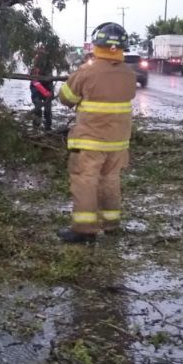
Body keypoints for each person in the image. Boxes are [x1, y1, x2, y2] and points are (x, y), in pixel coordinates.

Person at [56, 22, 136, 243]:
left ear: (95, 44)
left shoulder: (87, 72)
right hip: (119, 141)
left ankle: (84, 229)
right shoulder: (129, 75)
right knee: (111, 179)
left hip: (91, 140)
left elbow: (66, 99)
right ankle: (111, 224)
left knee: (86, 180)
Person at [29, 45, 54, 131]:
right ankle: (36, 128)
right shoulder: (35, 65)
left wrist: (49, 93)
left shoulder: (49, 64)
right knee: (38, 108)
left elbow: (49, 78)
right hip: (37, 89)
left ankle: (48, 128)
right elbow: (35, 82)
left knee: (47, 110)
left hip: (47, 87)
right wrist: (46, 93)